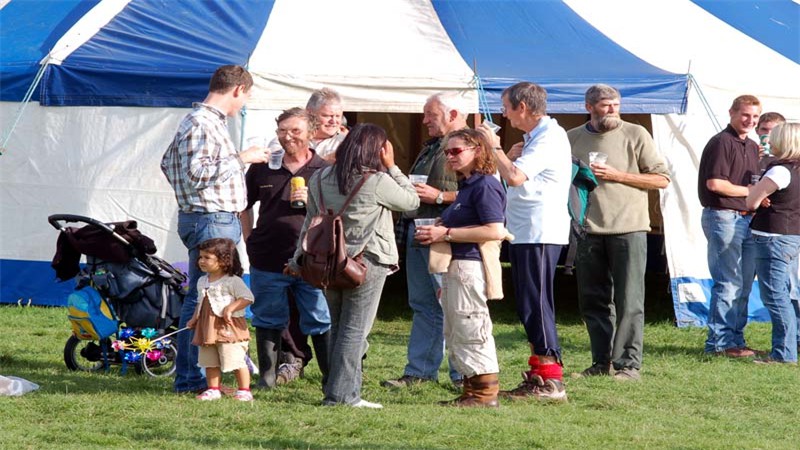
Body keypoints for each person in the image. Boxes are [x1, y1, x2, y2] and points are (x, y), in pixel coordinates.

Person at [288, 123, 419, 408]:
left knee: (339, 326)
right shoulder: (377, 181)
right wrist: (393, 166)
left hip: (328, 260)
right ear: (378, 150)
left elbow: (310, 222)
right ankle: (343, 396)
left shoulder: (320, 177)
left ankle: (340, 391)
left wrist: (297, 258)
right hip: (366, 261)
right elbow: (412, 201)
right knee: (355, 330)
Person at [161, 64, 269, 394]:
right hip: (211, 218)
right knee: (205, 300)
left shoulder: (201, 122)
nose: (244, 105)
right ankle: (193, 379)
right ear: (237, 89)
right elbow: (195, 172)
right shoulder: (202, 122)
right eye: (246, 97)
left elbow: (167, 163)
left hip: (206, 216)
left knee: (203, 297)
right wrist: (243, 158)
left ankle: (197, 378)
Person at [568, 84, 671, 381]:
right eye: (605, 104)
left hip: (629, 228)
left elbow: (661, 179)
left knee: (630, 300)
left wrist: (618, 176)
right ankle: (601, 362)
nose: (612, 109)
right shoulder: (572, 138)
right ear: (589, 106)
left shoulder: (636, 134)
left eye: (616, 104)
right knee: (593, 300)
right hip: (587, 229)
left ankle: (628, 365)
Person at [480, 82, 571, 400]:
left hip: (540, 230)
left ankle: (551, 379)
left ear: (522, 107)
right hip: (526, 230)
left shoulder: (549, 136)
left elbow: (516, 177)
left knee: (537, 302)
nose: (503, 113)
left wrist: (496, 148)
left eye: (506, 106)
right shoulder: (537, 137)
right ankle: (539, 373)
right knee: (528, 303)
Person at [241, 107, 331, 389]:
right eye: (282, 131)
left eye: (295, 131)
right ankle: (266, 377)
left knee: (319, 317)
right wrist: (249, 239)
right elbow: (243, 206)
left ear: (312, 133)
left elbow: (338, 213)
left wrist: (313, 201)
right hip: (267, 255)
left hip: (310, 259)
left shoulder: (324, 170)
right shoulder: (262, 166)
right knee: (267, 315)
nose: (287, 137)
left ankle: (331, 379)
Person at [415, 128, 506, 407]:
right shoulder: (467, 185)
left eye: (456, 151)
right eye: (447, 152)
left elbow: (495, 230)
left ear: (477, 150)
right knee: (457, 328)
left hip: (470, 265)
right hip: (456, 265)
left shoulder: (485, 185)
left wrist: (446, 234)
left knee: (472, 325)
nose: (450, 157)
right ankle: (472, 389)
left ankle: (484, 394)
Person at [382, 93, 464, 389]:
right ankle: (419, 372)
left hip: (446, 239)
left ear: (452, 113)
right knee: (423, 305)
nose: (424, 120)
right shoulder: (433, 148)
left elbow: (486, 193)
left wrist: (440, 196)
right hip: (420, 234)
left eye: (431, 114)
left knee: (453, 306)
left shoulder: (468, 146)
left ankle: (463, 375)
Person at [697, 95, 762, 358]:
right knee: (728, 282)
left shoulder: (752, 145)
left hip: (746, 218)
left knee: (744, 283)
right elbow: (716, 184)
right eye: (745, 115)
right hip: (723, 216)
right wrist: (752, 190)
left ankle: (736, 339)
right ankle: (719, 343)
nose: (750, 121)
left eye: (755, 117)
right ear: (731, 112)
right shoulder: (721, 142)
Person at [746, 122, 800, 364]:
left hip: (773, 236)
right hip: (791, 234)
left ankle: (783, 353)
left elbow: (751, 202)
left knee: (775, 296)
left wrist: (757, 192)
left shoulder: (780, 171)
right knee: (786, 292)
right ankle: (789, 346)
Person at [187, 238, 255, 402]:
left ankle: (244, 390)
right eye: (200, 257)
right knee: (209, 360)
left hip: (228, 329)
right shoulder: (202, 281)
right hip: (207, 328)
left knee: (235, 359)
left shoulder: (233, 281)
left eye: (207, 257)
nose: (201, 261)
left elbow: (248, 297)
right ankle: (213, 389)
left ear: (224, 261)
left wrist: (230, 308)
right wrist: (194, 318)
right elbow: (200, 302)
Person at [306, 87, 347, 162]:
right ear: (310, 113)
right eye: (327, 116)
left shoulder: (346, 143)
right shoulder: (293, 139)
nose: (333, 121)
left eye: (337, 116)